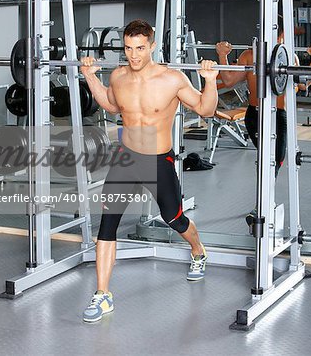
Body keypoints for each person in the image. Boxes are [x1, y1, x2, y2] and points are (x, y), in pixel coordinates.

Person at [80, 19, 219, 322]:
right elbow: (112, 105)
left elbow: (205, 110)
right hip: (126, 159)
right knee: (107, 225)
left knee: (175, 218)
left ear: (152, 46)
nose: (134, 55)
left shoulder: (173, 79)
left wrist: (210, 80)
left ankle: (198, 251)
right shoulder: (117, 76)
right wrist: (90, 76)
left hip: (159, 161)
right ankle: (103, 295)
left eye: (140, 48)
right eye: (129, 49)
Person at [215, 40, 311, 178]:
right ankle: (264, 198)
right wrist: (222, 55)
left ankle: (265, 199)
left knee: (276, 160)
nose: (279, 39)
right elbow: (229, 81)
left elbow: (303, 84)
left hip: (278, 116)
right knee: (266, 160)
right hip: (255, 115)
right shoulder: (250, 55)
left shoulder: (289, 55)